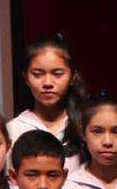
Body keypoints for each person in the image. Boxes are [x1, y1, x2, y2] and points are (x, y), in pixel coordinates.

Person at [6, 35, 87, 170]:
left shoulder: (85, 126)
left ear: (72, 77)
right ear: (26, 78)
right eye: (38, 74)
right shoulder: (13, 130)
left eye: (57, 74)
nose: (48, 83)